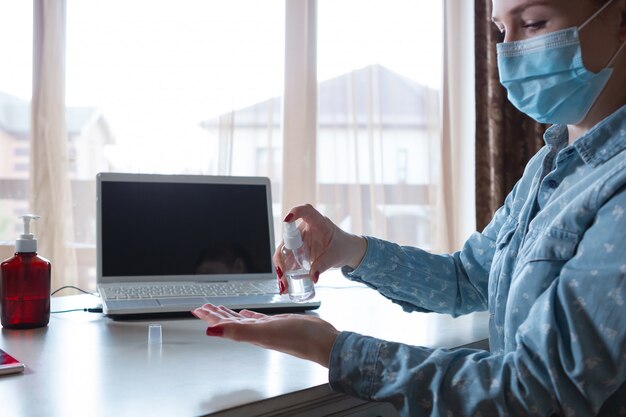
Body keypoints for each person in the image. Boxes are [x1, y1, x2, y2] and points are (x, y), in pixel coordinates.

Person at [193, 0, 626, 415]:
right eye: (499, 30)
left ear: (620, 17)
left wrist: (329, 347)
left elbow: (533, 393)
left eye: (532, 24)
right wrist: (349, 249)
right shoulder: (548, 163)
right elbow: (467, 278)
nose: (509, 51)